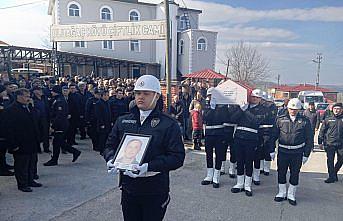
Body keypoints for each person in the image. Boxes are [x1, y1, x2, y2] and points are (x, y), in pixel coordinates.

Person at [104, 75, 185, 221]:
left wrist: (149, 166)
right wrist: (111, 158)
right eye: (138, 93)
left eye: (146, 93)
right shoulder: (123, 121)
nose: (141, 97)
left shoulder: (168, 124)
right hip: (129, 188)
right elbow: (110, 145)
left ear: (157, 96)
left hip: (154, 190)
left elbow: (177, 158)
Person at [274, 98, 313, 206]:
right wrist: (271, 150)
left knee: (295, 173)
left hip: (297, 152)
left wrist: (306, 154)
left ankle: (291, 194)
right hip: (283, 151)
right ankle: (281, 192)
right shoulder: (280, 119)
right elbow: (273, 135)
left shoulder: (305, 121)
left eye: (295, 109)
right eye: (291, 108)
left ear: (299, 109)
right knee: (281, 172)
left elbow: (309, 138)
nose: (293, 111)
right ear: (287, 108)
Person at [2, 88, 42, 192]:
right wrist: (13, 144)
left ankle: (30, 180)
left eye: (29, 96)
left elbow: (36, 119)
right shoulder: (11, 110)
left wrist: (32, 107)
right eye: (26, 96)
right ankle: (22, 184)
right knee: (21, 165)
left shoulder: (28, 107)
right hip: (20, 142)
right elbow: (8, 129)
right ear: (19, 97)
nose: (28, 99)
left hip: (31, 140)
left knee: (31, 162)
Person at [43, 85, 81, 166]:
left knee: (58, 142)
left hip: (60, 125)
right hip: (61, 124)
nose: (51, 92)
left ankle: (74, 152)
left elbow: (59, 115)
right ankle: (56, 159)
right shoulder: (57, 99)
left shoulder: (59, 100)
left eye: (52, 91)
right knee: (58, 142)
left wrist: (53, 126)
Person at [201, 87, 227, 188]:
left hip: (220, 132)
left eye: (212, 95)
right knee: (208, 154)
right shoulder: (205, 104)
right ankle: (209, 175)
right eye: (209, 96)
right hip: (209, 133)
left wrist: (218, 108)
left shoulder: (222, 106)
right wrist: (212, 109)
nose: (211, 97)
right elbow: (205, 118)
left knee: (219, 154)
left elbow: (224, 118)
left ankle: (216, 177)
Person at [318, 103, 343, 183]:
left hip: (341, 144)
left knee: (341, 160)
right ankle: (331, 177)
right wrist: (320, 142)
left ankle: (334, 172)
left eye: (338, 109)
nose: (336, 110)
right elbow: (322, 131)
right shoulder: (328, 119)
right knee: (330, 161)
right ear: (332, 109)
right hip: (330, 143)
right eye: (335, 108)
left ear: (341, 110)